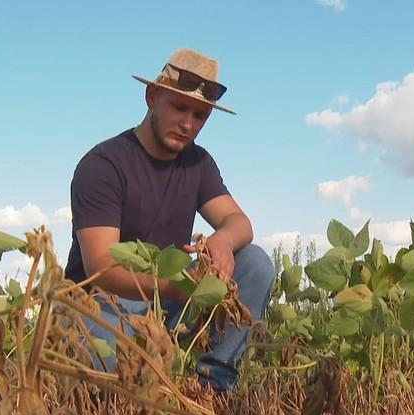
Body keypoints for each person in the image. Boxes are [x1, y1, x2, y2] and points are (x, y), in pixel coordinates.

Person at [64, 47, 274, 392]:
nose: (188, 124)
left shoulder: (197, 163)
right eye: (179, 107)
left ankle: (214, 387)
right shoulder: (104, 164)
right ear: (152, 97)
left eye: (200, 115)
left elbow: (239, 222)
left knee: (255, 263)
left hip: (167, 305)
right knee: (108, 378)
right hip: (100, 304)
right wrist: (174, 286)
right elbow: (101, 267)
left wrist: (222, 240)